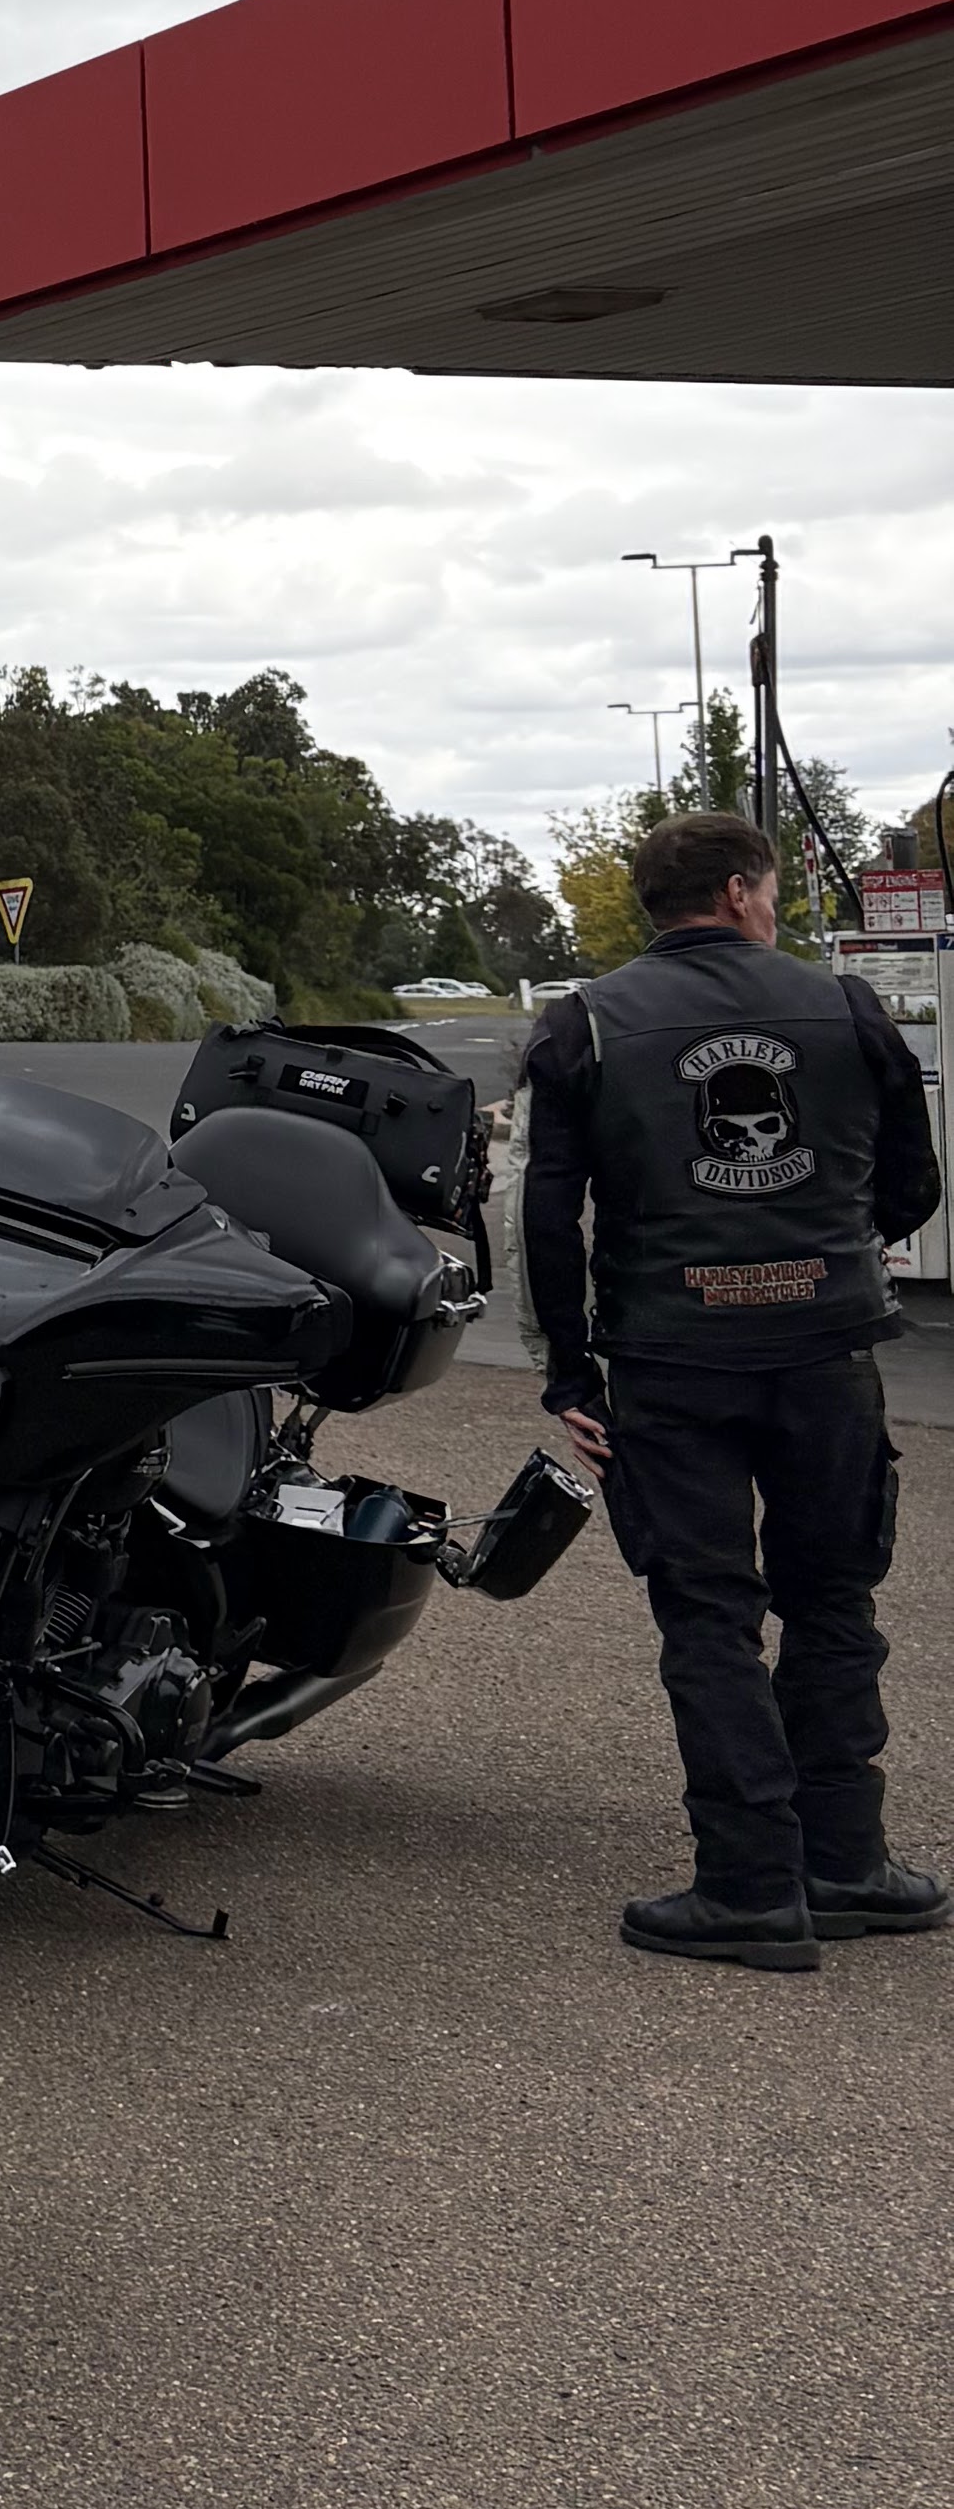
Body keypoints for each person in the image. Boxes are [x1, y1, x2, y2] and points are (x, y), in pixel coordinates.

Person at [523, 812, 942, 1970]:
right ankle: (847, 1863)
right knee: (832, 1600)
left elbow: (548, 1218)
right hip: (827, 1353)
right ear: (745, 891)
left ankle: (751, 1883)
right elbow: (915, 1182)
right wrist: (831, 1241)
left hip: (671, 1359)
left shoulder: (585, 1023)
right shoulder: (846, 1007)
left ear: (660, 906)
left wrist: (570, 1367)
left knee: (708, 1614)